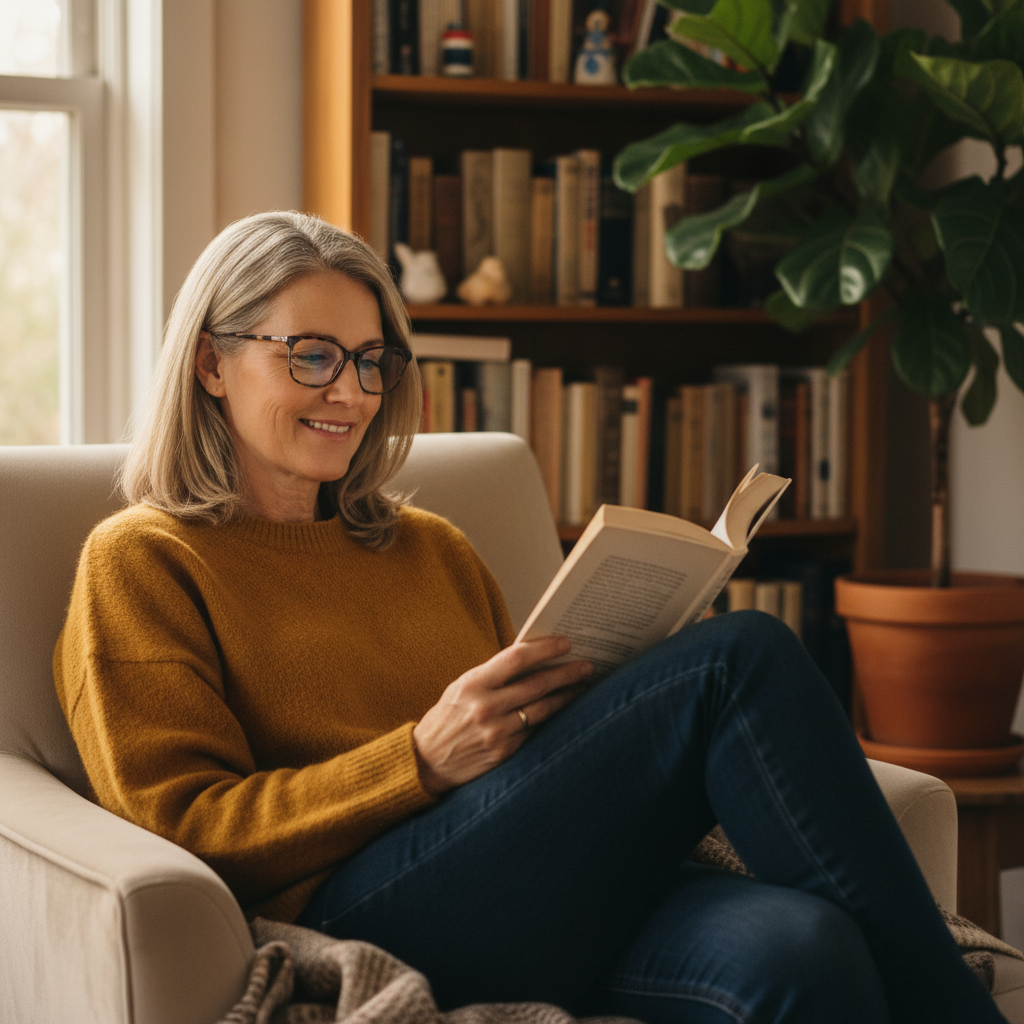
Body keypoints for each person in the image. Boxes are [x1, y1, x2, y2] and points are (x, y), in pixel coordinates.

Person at [54, 211, 1007, 1024]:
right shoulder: (144, 560)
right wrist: (418, 761)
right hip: (352, 903)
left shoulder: (428, 547)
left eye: (373, 360)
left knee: (807, 947)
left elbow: (516, 768)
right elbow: (180, 823)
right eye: (311, 355)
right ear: (214, 363)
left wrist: (597, 707)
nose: (350, 391)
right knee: (738, 659)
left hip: (532, 885)